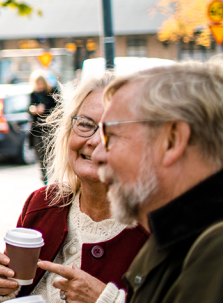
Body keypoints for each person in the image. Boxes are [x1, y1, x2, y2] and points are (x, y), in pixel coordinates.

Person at [0, 72, 148, 303]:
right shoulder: (42, 203)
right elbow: (12, 291)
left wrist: (108, 300)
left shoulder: (157, 228)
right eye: (85, 124)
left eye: (111, 132)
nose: (94, 141)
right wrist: (1, 287)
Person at [92, 61, 223, 302]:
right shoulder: (169, 239)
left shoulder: (215, 249)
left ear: (172, 140)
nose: (97, 155)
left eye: (109, 136)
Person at [29, 71, 60, 184]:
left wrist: (45, 109)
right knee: (40, 157)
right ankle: (45, 181)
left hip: (50, 129)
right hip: (37, 130)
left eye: (42, 83)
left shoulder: (52, 92)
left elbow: (58, 108)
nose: (40, 86)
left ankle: (55, 180)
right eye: (38, 84)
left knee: (52, 156)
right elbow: (28, 108)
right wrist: (32, 109)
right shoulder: (33, 94)